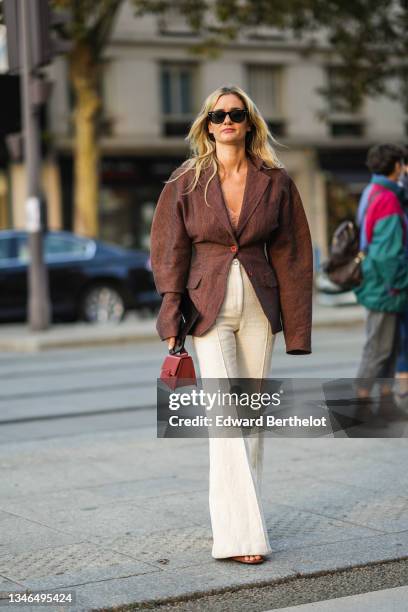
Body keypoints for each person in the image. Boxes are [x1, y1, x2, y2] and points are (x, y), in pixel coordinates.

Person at [150, 85, 313, 564]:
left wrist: (298, 329)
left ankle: (244, 519)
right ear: (207, 124)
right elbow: (169, 251)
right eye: (218, 115)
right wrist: (171, 313)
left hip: (260, 306)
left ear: (249, 123)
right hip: (207, 306)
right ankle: (240, 538)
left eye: (235, 114)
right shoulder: (185, 181)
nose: (226, 121)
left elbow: (294, 254)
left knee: (251, 419)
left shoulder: (276, 181)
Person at [354, 144, 408, 417]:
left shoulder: (371, 191)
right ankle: (361, 401)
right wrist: (397, 283)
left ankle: (386, 400)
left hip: (379, 283)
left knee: (387, 346)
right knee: (379, 346)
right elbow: (387, 253)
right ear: (396, 166)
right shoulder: (387, 197)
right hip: (385, 286)